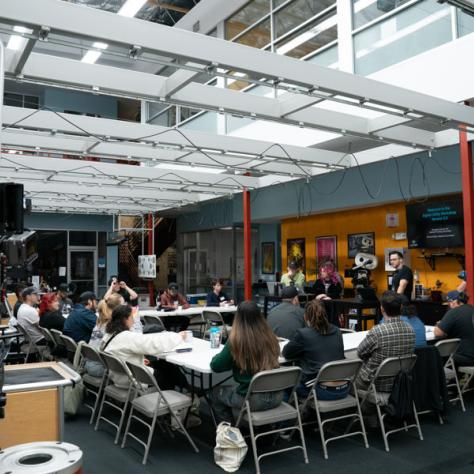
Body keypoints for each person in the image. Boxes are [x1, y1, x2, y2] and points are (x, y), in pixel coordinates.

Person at [210, 301, 283, 424]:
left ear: (237, 318)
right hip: (277, 396)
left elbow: (216, 366)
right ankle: (267, 431)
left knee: (215, 393)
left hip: (253, 400)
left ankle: (230, 434)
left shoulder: (236, 341)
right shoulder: (271, 337)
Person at [101, 304, 184, 389]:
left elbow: (122, 353)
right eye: (132, 318)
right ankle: (175, 397)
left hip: (119, 377)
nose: (133, 321)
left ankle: (186, 392)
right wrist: (178, 337)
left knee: (163, 366)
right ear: (125, 319)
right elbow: (153, 345)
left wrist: (140, 359)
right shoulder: (127, 337)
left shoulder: (108, 335)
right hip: (133, 380)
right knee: (168, 371)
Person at [282, 299, 348, 400]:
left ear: (305, 317)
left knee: (284, 385)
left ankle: (295, 414)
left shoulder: (303, 334)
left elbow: (286, 353)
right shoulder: (336, 331)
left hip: (321, 390)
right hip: (344, 388)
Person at [355, 291, 415, 393]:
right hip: (399, 382)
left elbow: (360, 353)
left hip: (374, 384)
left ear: (382, 308)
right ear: (401, 308)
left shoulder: (377, 331)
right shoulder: (410, 329)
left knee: (349, 379)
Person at [85, 293, 125, 377]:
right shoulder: (112, 326)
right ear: (117, 309)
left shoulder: (99, 323)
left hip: (89, 364)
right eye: (123, 305)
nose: (126, 307)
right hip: (100, 368)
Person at [434, 291, 474, 367]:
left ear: (454, 302)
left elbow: (438, 333)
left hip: (465, 357)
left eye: (449, 303)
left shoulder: (453, 312)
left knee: (436, 354)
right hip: (470, 355)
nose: (449, 306)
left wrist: (439, 324)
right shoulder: (472, 308)